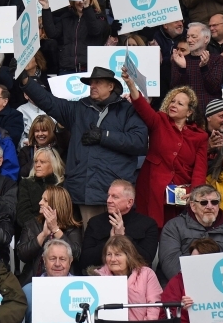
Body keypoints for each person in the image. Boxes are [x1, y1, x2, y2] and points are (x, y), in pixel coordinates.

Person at [21, 66, 147, 222]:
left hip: (111, 193)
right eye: (91, 83)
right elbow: (49, 102)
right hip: (79, 191)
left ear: (111, 86)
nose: (92, 86)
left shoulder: (127, 110)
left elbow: (139, 142)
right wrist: (26, 81)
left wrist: (104, 136)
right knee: (82, 244)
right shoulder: (79, 108)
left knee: (112, 244)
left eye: (98, 82)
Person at [122, 67, 208, 228]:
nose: (173, 105)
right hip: (152, 188)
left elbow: (200, 169)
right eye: (172, 101)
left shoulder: (200, 136)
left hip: (181, 193)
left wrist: (195, 194)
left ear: (189, 112)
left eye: (180, 103)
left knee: (176, 230)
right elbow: (143, 107)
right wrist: (131, 84)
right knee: (150, 228)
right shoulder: (159, 121)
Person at [96, 236, 165, 323]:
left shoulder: (146, 274)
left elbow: (154, 310)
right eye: (109, 254)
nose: (112, 259)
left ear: (129, 255)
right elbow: (101, 318)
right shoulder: (100, 279)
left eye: (118, 254)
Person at [158, 184, 223, 282]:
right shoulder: (174, 227)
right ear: (193, 206)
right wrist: (196, 285)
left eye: (214, 202)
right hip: (179, 286)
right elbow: (171, 264)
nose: (210, 206)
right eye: (204, 202)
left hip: (218, 287)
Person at [78, 180, 159, 271]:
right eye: (108, 196)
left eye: (115, 197)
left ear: (129, 202)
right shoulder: (95, 222)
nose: (109, 201)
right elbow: (84, 261)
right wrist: (111, 241)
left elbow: (146, 260)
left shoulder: (147, 224)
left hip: (135, 277)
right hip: (101, 277)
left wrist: (123, 238)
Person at [15, 185, 82, 284]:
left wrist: (55, 229)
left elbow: (76, 253)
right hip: (33, 280)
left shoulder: (72, 228)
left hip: (65, 281)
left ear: (56, 204)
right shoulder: (31, 224)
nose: (40, 202)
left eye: (45, 200)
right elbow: (22, 254)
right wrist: (43, 234)